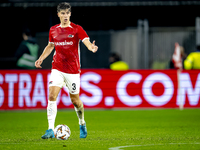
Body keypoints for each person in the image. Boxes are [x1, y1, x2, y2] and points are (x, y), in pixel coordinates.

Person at [35, 2, 98, 139]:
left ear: (70, 14)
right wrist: (41, 58)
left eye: (67, 13)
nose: (65, 16)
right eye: (62, 13)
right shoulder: (53, 30)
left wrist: (91, 47)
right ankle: (50, 129)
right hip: (57, 68)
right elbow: (50, 46)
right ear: (58, 14)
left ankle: (82, 123)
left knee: (75, 101)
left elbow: (86, 41)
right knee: (52, 96)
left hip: (73, 71)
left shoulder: (76, 29)